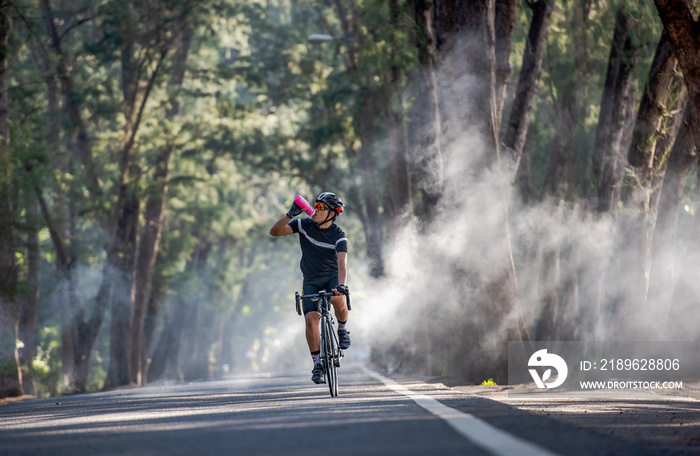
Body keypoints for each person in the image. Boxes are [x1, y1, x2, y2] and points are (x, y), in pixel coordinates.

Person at [269, 192, 351, 384]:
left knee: (338, 298)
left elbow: (342, 263)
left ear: (332, 213)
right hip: (311, 279)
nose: (315, 209)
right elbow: (275, 232)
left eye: (321, 207)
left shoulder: (339, 235)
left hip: (332, 277)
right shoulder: (304, 224)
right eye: (315, 204)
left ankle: (342, 328)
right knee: (310, 319)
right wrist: (290, 214)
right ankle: (317, 364)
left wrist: (341, 285)